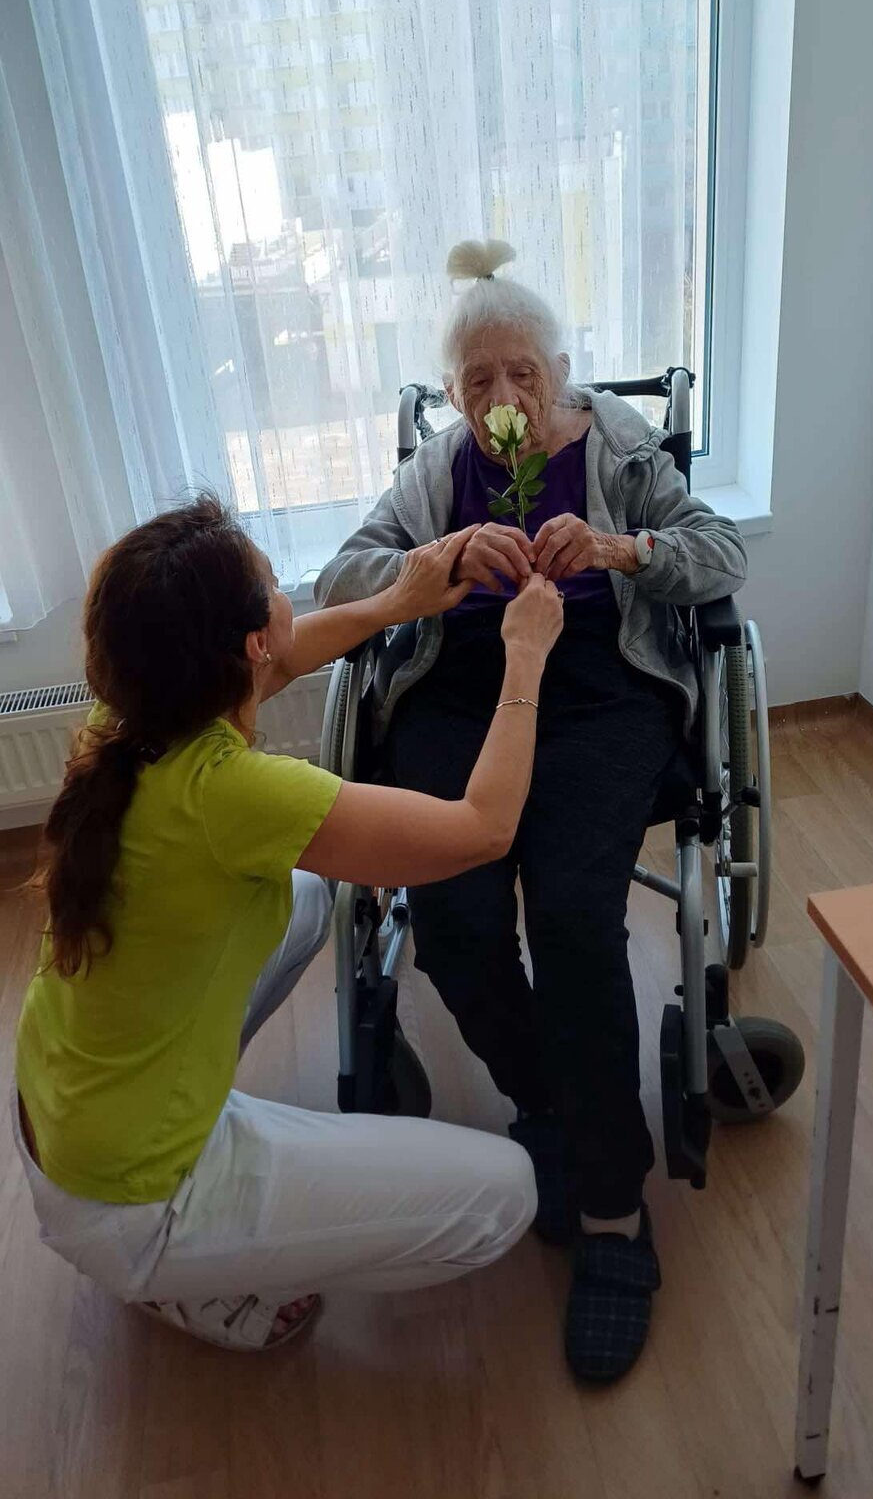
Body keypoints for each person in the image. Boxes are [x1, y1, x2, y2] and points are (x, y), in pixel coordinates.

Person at [316, 238, 748, 1382]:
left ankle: (614, 1211)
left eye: (523, 372)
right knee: (452, 919)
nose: (504, 395)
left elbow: (720, 553)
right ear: (454, 395)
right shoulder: (439, 472)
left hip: (600, 695)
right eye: (478, 380)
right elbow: (340, 576)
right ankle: (550, 1105)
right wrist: (438, 560)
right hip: (463, 694)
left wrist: (621, 547)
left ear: (559, 371)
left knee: (569, 916)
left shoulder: (619, 447)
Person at [14, 494, 564, 1352]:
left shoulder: (133, 708)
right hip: (132, 1196)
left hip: (60, 1111)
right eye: (274, 587)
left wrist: (397, 601)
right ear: (249, 645)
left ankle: (197, 1212)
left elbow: (290, 651)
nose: (285, 600)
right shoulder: (232, 793)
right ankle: (189, 1276)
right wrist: (525, 656)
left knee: (305, 901)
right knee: (506, 1193)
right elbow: (483, 829)